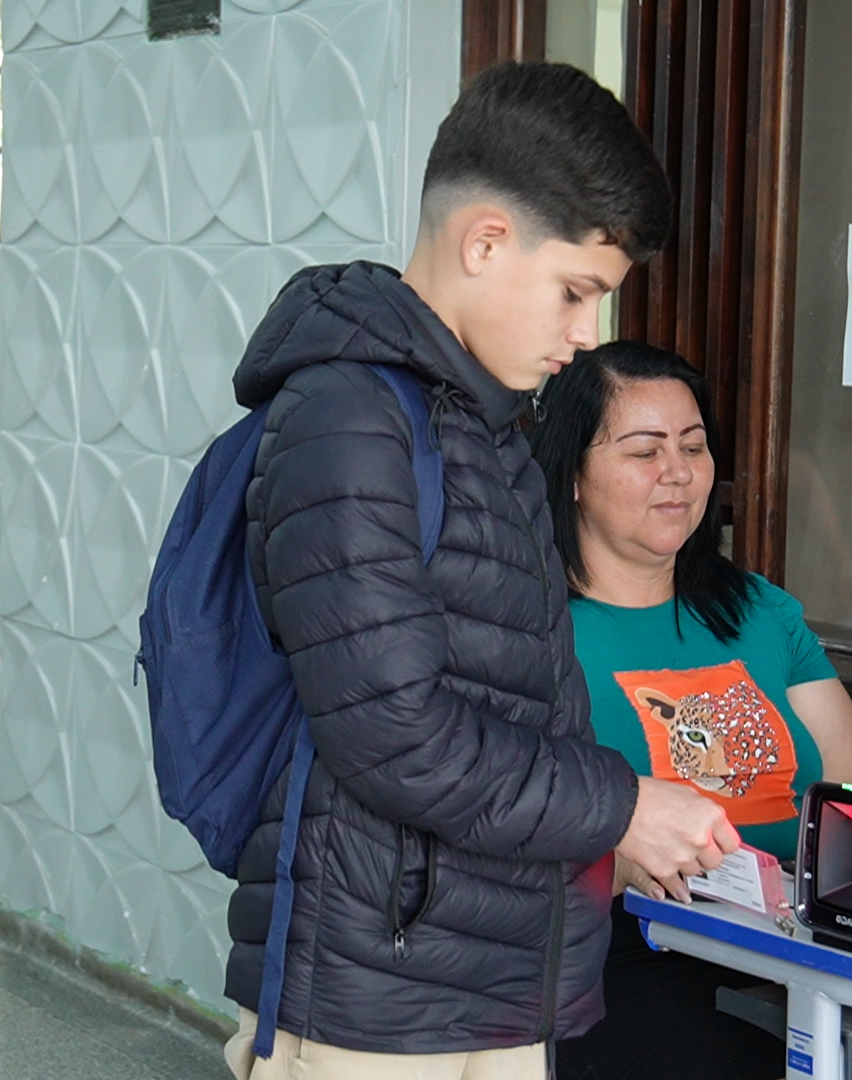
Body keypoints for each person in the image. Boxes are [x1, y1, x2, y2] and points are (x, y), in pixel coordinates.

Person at [219, 63, 740, 1079]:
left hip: (486, 979)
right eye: (576, 293)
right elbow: (396, 734)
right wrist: (625, 803)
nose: (585, 335)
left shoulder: (483, 423)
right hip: (375, 1001)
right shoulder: (350, 418)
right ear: (486, 242)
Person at [532, 341, 852, 1080]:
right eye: (643, 451)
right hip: (630, 956)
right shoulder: (528, 628)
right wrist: (612, 858)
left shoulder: (757, 612)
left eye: (694, 446)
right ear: (572, 475)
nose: (678, 473)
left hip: (807, 941)